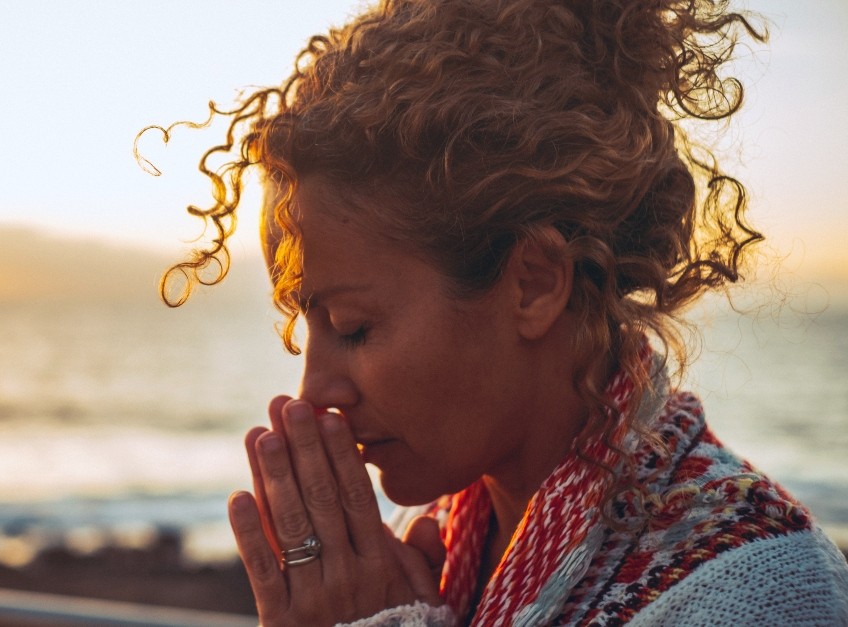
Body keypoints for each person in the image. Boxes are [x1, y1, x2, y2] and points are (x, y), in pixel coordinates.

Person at [143, 0, 848, 624]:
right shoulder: (434, 535)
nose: (313, 393)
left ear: (535, 284)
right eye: (309, 325)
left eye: (354, 327)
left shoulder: (764, 592)